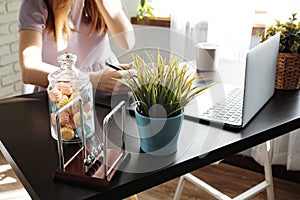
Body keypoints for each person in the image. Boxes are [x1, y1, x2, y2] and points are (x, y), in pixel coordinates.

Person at [18, 0, 135, 94]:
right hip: (62, 92)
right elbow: (29, 71)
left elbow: (127, 42)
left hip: (106, 90)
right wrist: (89, 80)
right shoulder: (36, 3)